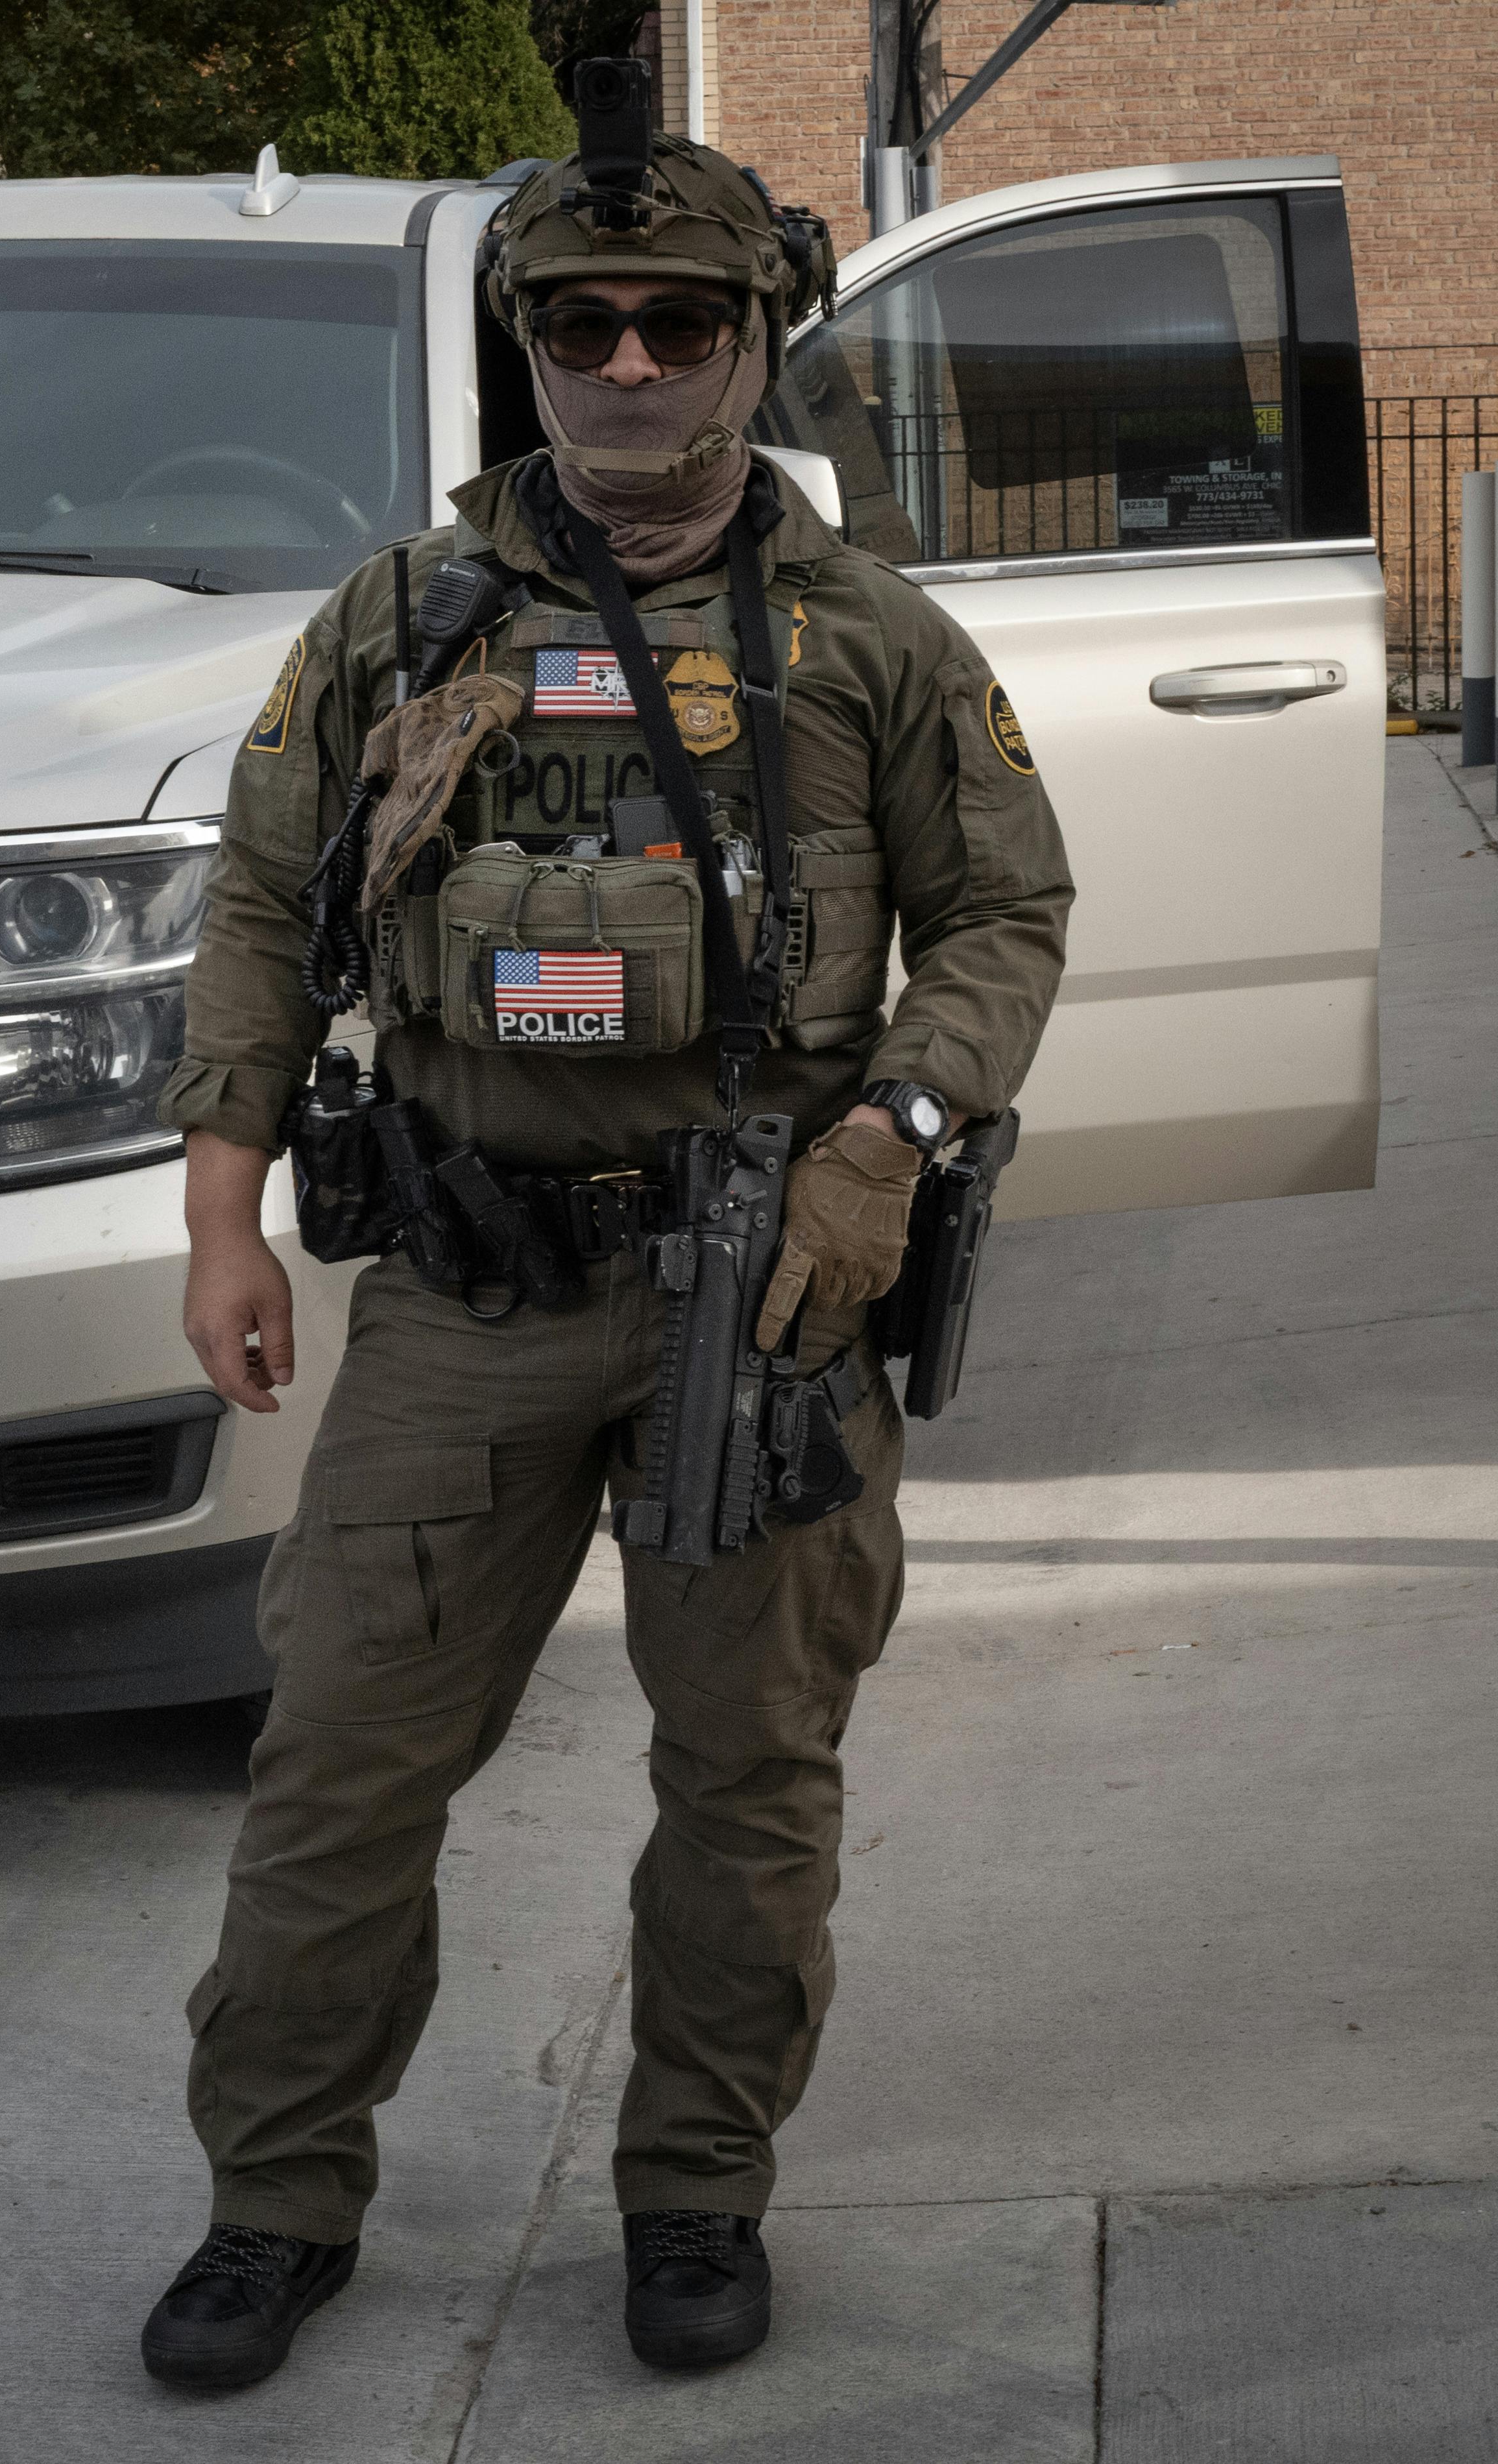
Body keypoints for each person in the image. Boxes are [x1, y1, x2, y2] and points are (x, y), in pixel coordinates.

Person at [139, 104, 1071, 2389]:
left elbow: (1003, 912)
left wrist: (903, 1128)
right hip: (458, 1293)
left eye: (676, 323)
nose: (629, 362)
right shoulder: (397, 615)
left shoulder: (866, 638)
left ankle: (692, 2190)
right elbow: (261, 906)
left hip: (755, 1299)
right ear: (525, 349)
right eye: (582, 324)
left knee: (745, 1784)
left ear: (751, 346)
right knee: (341, 1768)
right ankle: (274, 2197)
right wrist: (219, 1215)